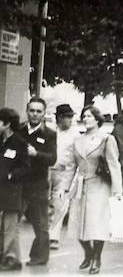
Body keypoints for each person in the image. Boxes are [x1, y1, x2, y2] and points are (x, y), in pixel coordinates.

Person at [66, 105, 123, 274]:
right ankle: (88, 253)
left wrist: (117, 189)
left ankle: (96, 257)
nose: (86, 118)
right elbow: (71, 166)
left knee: (97, 223)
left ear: (97, 119)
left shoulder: (106, 139)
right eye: (84, 116)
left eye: (89, 116)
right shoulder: (77, 140)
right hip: (81, 185)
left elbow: (114, 164)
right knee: (76, 223)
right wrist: (66, 187)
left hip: (99, 185)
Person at [15, 96, 57, 267]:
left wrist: (36, 154)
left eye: (38, 111)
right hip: (18, 184)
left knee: (40, 225)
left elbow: (52, 159)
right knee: (9, 221)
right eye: (32, 110)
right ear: (27, 112)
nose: (34, 114)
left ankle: (39, 257)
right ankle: (8, 255)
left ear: (44, 113)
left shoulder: (49, 134)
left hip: (38, 185)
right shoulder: (18, 130)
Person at [0, 107, 30, 271]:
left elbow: (25, 167)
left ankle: (11, 259)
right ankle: (8, 257)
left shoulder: (19, 142)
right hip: (0, 189)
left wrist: (11, 175)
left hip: (12, 190)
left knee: (10, 226)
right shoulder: (0, 140)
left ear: (7, 124)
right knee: (2, 226)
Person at [48, 104, 77, 250]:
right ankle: (43, 234)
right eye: (68, 117)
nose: (71, 120)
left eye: (72, 116)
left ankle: (53, 237)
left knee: (59, 205)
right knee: (41, 204)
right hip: (46, 171)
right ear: (60, 117)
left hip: (65, 173)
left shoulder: (75, 135)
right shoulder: (49, 131)